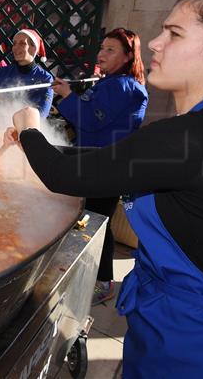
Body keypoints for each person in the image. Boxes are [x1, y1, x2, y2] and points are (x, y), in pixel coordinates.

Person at [5, 0, 203, 378]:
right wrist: (32, 144)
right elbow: (111, 161)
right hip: (189, 331)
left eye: (174, 34)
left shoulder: (195, 137)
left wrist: (28, 126)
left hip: (201, 351)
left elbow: (65, 176)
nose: (157, 43)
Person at [53, 27, 149, 305]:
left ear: (128, 56)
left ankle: (102, 281)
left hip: (105, 166)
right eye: (102, 48)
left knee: (97, 224)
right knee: (94, 222)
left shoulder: (123, 86)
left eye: (111, 50)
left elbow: (93, 119)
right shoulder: (113, 83)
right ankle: (91, 274)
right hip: (100, 163)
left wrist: (69, 96)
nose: (102, 54)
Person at [0, 29, 53, 116]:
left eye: (22, 43)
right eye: (14, 43)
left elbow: (41, 115)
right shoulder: (3, 72)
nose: (15, 48)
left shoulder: (45, 78)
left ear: (34, 48)